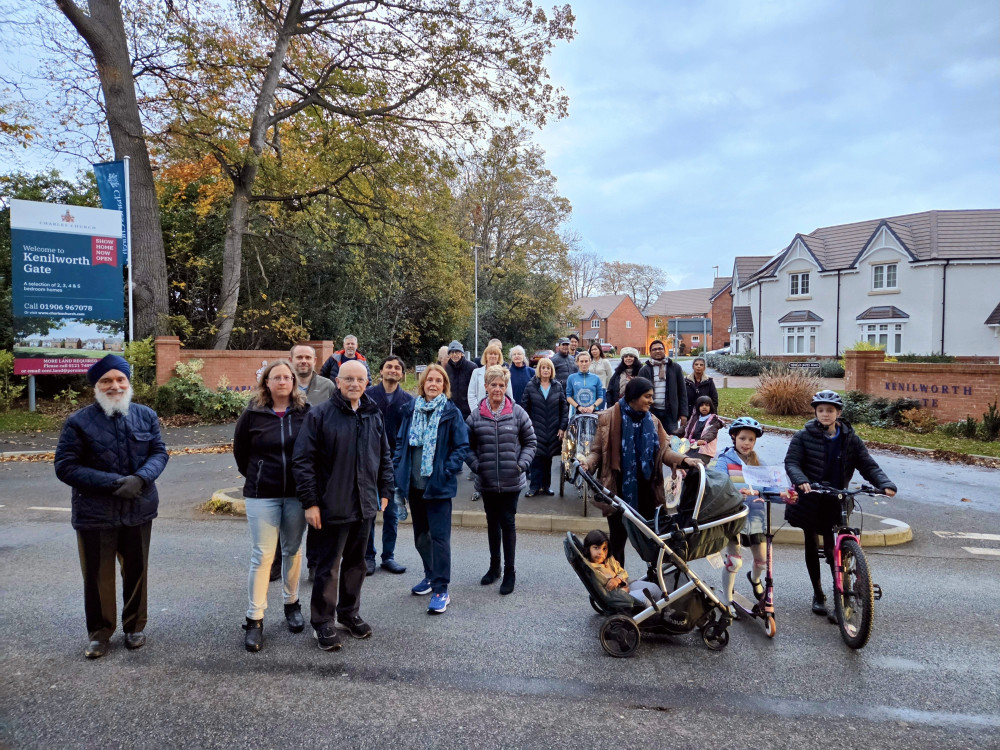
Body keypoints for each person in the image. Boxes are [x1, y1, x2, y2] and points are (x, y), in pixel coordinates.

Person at [54, 354, 169, 659]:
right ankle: (100, 633)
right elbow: (65, 467)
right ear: (96, 385)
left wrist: (141, 478)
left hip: (139, 508)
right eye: (106, 380)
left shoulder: (146, 416)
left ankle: (134, 627)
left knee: (137, 571)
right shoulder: (78, 422)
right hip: (95, 513)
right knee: (97, 576)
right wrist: (115, 482)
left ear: (129, 383)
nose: (114, 386)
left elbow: (159, 452)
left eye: (120, 380)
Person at [292, 360, 394, 652]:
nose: (354, 384)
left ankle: (348, 614)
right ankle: (323, 622)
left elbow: (384, 454)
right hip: (329, 506)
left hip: (363, 504)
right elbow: (303, 461)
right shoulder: (320, 415)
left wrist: (385, 489)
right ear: (337, 381)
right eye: (348, 378)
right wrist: (310, 502)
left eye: (359, 379)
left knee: (356, 565)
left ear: (366, 383)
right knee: (327, 567)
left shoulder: (373, 414)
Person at [784, 390, 897, 617]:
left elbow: (868, 465)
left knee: (832, 550)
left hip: (837, 499)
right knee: (811, 543)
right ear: (815, 412)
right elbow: (792, 462)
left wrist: (885, 484)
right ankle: (818, 594)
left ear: (838, 413)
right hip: (811, 498)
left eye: (830, 410)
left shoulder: (850, 438)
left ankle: (842, 595)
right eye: (821, 410)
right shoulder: (802, 436)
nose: (825, 414)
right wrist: (801, 481)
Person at [233, 359, 310, 652]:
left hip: (296, 494)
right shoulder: (252, 413)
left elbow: (312, 450)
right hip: (261, 493)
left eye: (287, 377)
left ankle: (291, 604)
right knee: (263, 555)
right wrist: (259, 473)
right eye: (276, 377)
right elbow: (241, 453)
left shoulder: (306, 413)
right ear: (266, 382)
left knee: (292, 550)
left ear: (293, 382)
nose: (282, 382)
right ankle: (254, 618)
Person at [585, 377, 700, 565]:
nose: (651, 401)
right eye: (647, 396)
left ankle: (656, 581)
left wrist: (684, 460)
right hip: (618, 491)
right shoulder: (608, 418)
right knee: (617, 541)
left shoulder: (653, 421)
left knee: (653, 541)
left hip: (647, 491)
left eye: (652, 396)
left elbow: (664, 451)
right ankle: (617, 582)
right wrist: (587, 464)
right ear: (634, 397)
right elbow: (597, 451)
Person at [393, 364, 469, 614]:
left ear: (444, 386)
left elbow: (461, 446)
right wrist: (397, 470)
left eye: (438, 381)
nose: (433, 384)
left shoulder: (450, 412)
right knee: (420, 538)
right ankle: (430, 575)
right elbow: (401, 443)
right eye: (429, 380)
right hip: (414, 487)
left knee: (439, 540)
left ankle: (441, 589)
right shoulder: (410, 410)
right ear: (423, 383)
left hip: (438, 486)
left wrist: (447, 469)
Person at [466, 366, 536, 595]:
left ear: (506, 387)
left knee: (508, 523)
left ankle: (510, 572)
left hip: (511, 481)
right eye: (493, 384)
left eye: (501, 385)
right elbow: (466, 447)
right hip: (486, 481)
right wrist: (477, 467)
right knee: (492, 524)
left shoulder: (517, 412)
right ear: (485, 386)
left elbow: (530, 442)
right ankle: (494, 567)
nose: (497, 389)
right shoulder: (476, 415)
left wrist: (521, 465)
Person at [714, 417, 795, 616]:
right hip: (733, 518)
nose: (746, 443)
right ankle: (727, 600)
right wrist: (735, 493)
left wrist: (785, 495)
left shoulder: (760, 464)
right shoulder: (724, 462)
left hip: (757, 520)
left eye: (751, 439)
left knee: (762, 561)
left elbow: (772, 489)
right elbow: (716, 487)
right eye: (742, 438)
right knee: (735, 561)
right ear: (734, 437)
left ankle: (755, 579)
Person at [271, 343, 333, 583]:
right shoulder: (282, 384)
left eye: (308, 357)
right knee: (282, 517)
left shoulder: (327, 387)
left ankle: (314, 565)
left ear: (315, 360)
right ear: (291, 359)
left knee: (315, 516)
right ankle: (277, 564)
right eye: (299, 357)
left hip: (317, 463)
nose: (304, 361)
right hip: (283, 463)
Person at [364, 355, 413, 576]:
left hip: (395, 464)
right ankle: (368, 557)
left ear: (402, 374)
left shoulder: (408, 400)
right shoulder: (367, 396)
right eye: (388, 367)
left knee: (392, 513)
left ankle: (388, 556)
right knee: (368, 514)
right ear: (381, 371)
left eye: (397, 367)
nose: (392, 370)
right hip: (369, 462)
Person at [519, 357, 567, 497]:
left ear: (551, 370)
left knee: (548, 459)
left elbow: (563, 409)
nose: (545, 370)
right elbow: (524, 407)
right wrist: (526, 428)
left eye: (548, 368)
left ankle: (546, 486)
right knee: (536, 459)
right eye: (543, 368)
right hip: (535, 429)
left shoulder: (557, 386)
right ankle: (534, 487)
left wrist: (562, 427)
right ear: (539, 370)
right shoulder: (531, 385)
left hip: (553, 429)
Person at [582, 529, 661, 606]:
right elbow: (606, 590)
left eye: (604, 549)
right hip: (618, 594)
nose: (601, 552)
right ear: (588, 548)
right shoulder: (592, 569)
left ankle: (665, 610)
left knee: (654, 587)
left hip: (625, 584)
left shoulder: (609, 559)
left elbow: (623, 573)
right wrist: (621, 586)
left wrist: (618, 579)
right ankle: (655, 616)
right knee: (646, 598)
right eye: (596, 548)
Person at [638, 339, 688, 435]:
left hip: (670, 412)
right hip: (651, 411)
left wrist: (684, 414)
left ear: (664, 350)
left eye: (660, 348)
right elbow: (639, 393)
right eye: (654, 349)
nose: (657, 351)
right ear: (650, 352)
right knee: (652, 439)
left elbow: (682, 392)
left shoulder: (675, 368)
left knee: (672, 440)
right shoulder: (644, 370)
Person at [467, 343, 513, 413]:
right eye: (490, 354)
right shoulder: (476, 372)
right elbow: (471, 394)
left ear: (499, 357)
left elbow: (509, 395)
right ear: (485, 356)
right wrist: (476, 411)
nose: (493, 356)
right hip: (480, 412)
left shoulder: (504, 372)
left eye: (495, 354)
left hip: (500, 413)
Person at [684, 395, 725, 463]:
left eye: (707, 405)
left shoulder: (714, 420)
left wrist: (703, 440)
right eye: (701, 405)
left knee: (695, 466)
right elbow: (685, 428)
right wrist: (674, 434)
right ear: (698, 407)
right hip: (691, 446)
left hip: (704, 450)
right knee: (680, 460)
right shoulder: (695, 418)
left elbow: (712, 432)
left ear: (710, 407)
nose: (704, 407)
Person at [565, 351, 604, 417]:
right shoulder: (571, 378)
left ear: (590, 362)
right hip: (577, 412)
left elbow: (600, 397)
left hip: (592, 412)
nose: (584, 364)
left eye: (586, 361)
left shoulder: (596, 378)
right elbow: (568, 396)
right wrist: (578, 407)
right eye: (581, 361)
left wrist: (592, 407)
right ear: (577, 362)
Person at [444, 340, 477, 421]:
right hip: (451, 410)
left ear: (462, 353)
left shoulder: (472, 367)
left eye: (457, 352)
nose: (454, 355)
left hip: (468, 411)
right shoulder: (446, 368)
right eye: (452, 352)